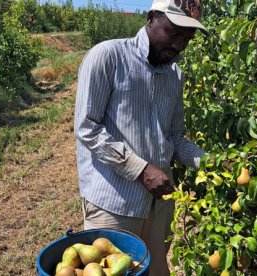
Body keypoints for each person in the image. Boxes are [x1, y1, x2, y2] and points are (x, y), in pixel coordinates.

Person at [74, 0, 207, 275]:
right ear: (152, 18)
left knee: (156, 270)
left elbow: (174, 137)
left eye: (187, 38)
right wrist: (141, 170)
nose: (179, 45)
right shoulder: (108, 57)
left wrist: (212, 163)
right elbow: (87, 127)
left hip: (159, 206)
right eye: (173, 32)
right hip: (114, 205)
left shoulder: (174, 75)